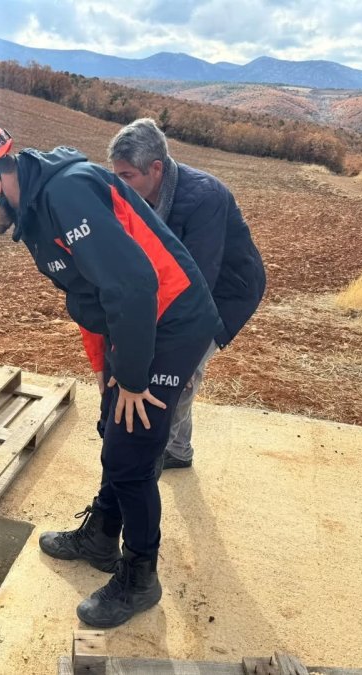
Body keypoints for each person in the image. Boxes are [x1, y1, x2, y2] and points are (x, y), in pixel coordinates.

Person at [0, 117, 222, 628]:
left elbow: (132, 286)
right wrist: (108, 372)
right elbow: (90, 297)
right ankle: (103, 538)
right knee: (113, 427)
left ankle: (139, 578)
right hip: (132, 323)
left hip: (170, 321)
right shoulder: (37, 208)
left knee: (132, 452)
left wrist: (132, 379)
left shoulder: (66, 195)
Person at [106, 118, 266, 470]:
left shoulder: (203, 198)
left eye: (127, 175)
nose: (119, 184)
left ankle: (171, 450)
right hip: (184, 285)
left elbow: (196, 286)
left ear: (157, 168)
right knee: (168, 361)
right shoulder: (139, 195)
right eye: (116, 174)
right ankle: (178, 447)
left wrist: (165, 339)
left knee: (178, 369)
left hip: (226, 291)